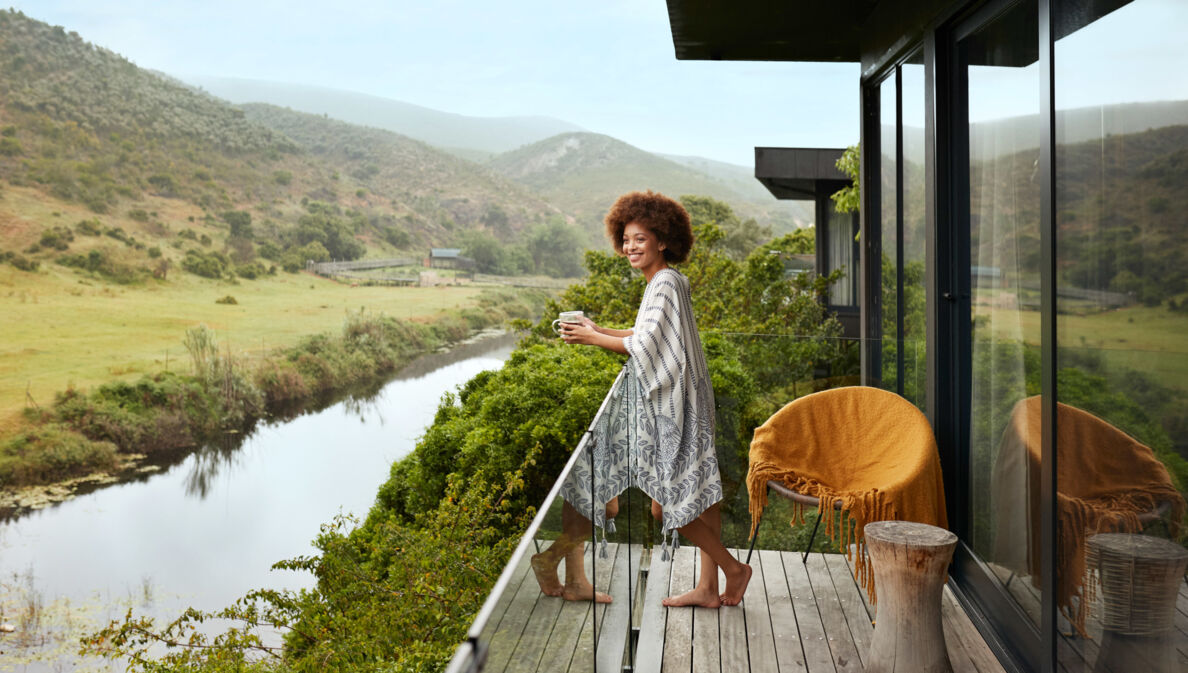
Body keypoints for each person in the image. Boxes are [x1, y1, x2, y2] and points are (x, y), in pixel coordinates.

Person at [556, 190, 752, 608]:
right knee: (696, 493)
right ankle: (709, 588)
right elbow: (641, 335)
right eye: (625, 239)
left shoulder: (663, 283)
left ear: (662, 240)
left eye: (640, 238)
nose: (630, 246)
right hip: (687, 402)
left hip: (675, 408)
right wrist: (599, 328)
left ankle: (734, 571)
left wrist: (590, 338)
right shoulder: (664, 284)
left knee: (669, 506)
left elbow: (642, 348)